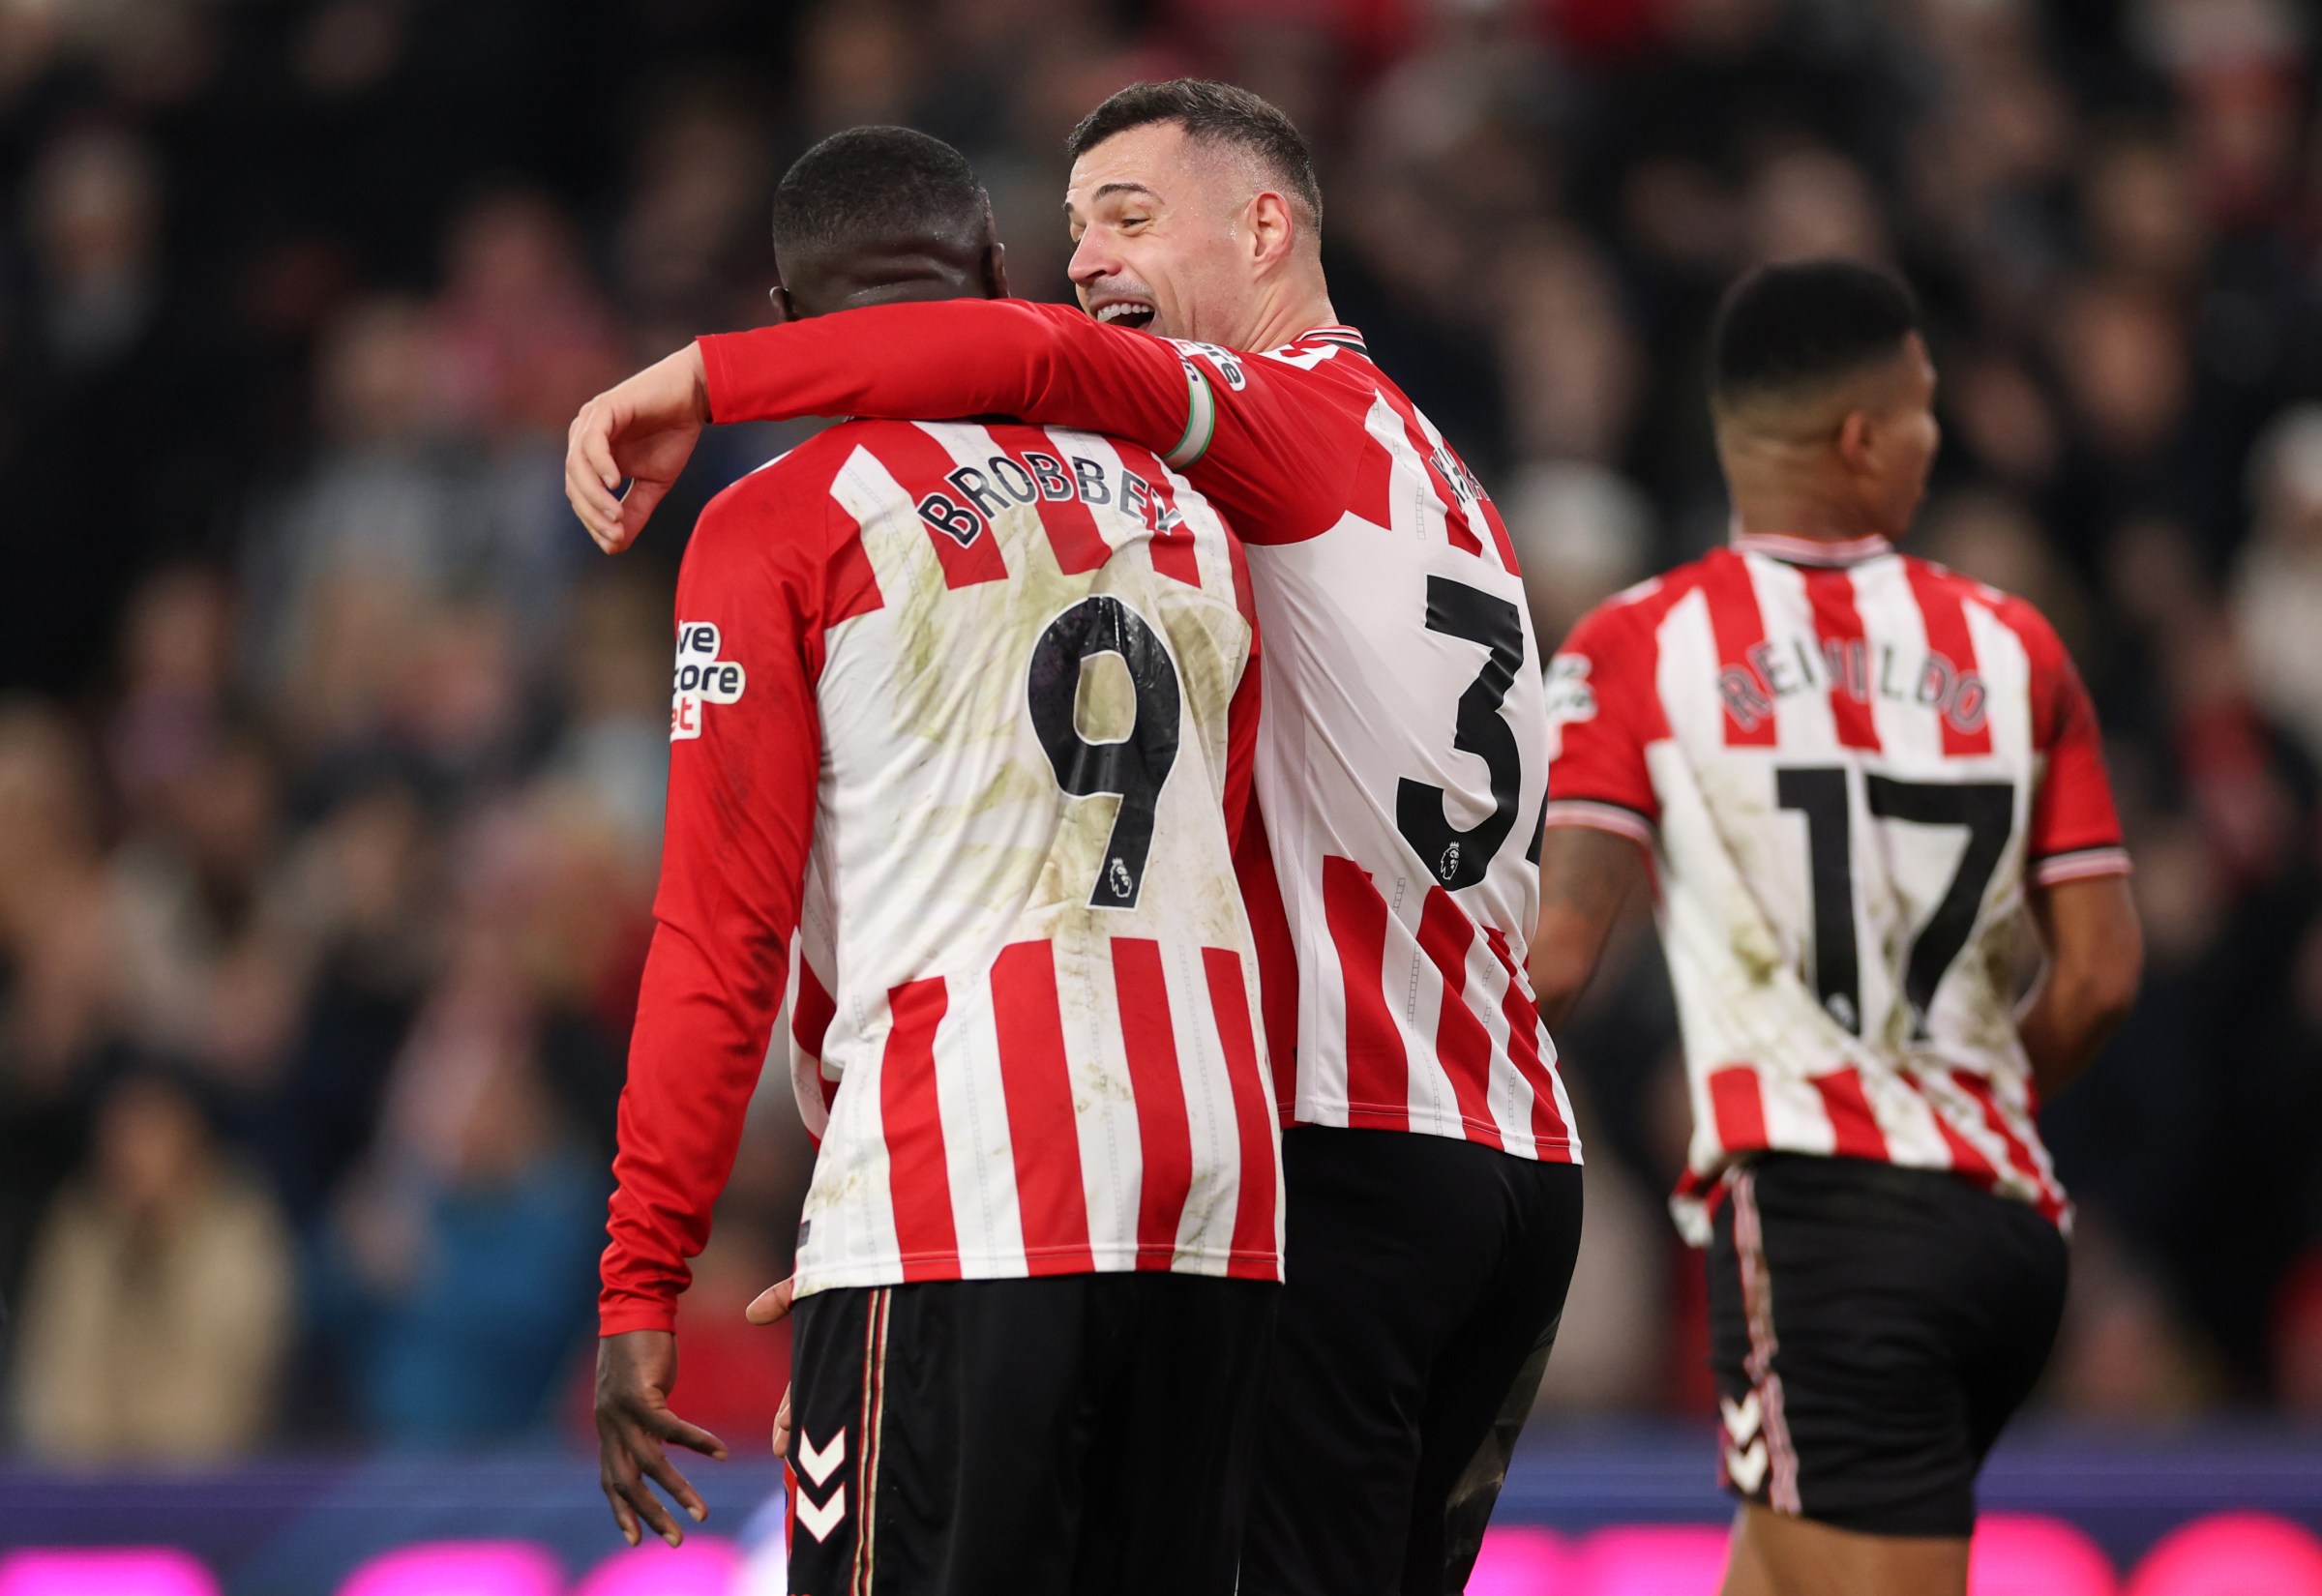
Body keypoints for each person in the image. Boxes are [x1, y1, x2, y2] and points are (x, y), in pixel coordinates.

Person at [567, 79, 1584, 1596]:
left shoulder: (1240, 442)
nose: (1092, 261)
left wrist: (705, 381)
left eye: (1128, 215)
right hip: (1423, 1155)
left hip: (1283, 1157)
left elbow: (729, 934)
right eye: (1069, 230)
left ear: (1266, 225)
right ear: (987, 262)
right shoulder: (1347, 487)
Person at [589, 126, 1281, 1596]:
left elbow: (725, 936)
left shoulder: (780, 526)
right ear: (1002, 280)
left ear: (792, 329)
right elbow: (1229, 865)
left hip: (965, 1173)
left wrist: (644, 1271)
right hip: (1218, 1191)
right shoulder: (1201, 516)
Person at [1527, 261, 2145, 1596]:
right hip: (2006, 1231)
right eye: (1923, 408)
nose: (1937, 435)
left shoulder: (1641, 642)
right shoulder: (2016, 646)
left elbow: (1559, 958)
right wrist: (1952, 1110)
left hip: (1826, 1221)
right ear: (1861, 437)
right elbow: (2099, 975)